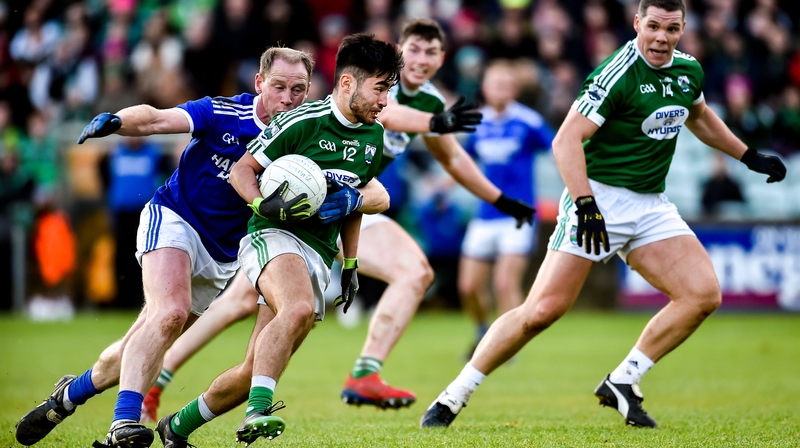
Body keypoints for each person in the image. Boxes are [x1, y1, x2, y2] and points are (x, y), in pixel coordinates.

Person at [142, 17, 535, 423]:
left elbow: (450, 159)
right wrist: (433, 123)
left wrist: (502, 200)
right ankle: (168, 376)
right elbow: (391, 115)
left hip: (351, 199)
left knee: (272, 335)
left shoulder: (424, 103)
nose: (421, 59)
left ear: (441, 58)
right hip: (295, 204)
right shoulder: (380, 89)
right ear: (400, 49)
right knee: (261, 302)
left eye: (431, 52)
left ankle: (186, 417)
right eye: (413, 49)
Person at [420, 0, 787, 430]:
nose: (661, 38)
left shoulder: (689, 70)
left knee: (703, 294)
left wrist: (748, 156)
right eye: (653, 26)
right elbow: (565, 141)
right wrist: (586, 206)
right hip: (598, 198)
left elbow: (699, 116)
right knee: (541, 311)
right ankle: (453, 396)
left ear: (684, 28)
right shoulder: (616, 73)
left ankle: (624, 380)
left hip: (650, 204)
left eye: (672, 29)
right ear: (637, 23)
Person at [14, 46, 389, 448]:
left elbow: (370, 186)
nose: (288, 98)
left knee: (141, 341)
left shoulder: (303, 129)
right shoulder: (224, 113)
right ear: (260, 82)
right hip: (175, 219)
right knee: (169, 313)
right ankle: (123, 425)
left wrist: (351, 213)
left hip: (223, 255)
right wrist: (119, 121)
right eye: (279, 86)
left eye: (298, 89)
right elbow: (158, 119)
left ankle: (67, 397)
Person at [157, 33, 400, 446]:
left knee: (255, 369)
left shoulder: (372, 138)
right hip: (272, 236)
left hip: (319, 253)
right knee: (298, 308)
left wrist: (352, 264)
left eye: (387, 91)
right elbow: (241, 172)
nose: (384, 101)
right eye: (379, 89)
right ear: (347, 83)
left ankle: (176, 427)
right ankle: (259, 410)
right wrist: (261, 207)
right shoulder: (300, 122)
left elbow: (356, 205)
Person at [458, 59, 555, 357]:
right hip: (485, 215)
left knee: (504, 283)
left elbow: (557, 148)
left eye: (505, 84)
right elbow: (461, 160)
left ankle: (509, 345)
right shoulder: (479, 121)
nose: (500, 89)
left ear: (513, 89)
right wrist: (443, 187)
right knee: (469, 287)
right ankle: (482, 331)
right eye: (494, 83)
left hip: (518, 215)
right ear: (485, 88)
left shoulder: (529, 121)